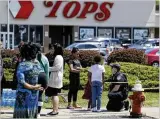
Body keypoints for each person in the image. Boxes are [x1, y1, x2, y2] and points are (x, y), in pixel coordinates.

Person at [13, 43, 44, 118]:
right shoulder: (37, 64)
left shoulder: (22, 65)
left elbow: (22, 82)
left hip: (23, 96)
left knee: (22, 116)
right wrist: (37, 87)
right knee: (32, 114)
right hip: (34, 95)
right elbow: (42, 77)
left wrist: (33, 87)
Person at [46, 43, 64, 115]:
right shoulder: (58, 57)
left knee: (54, 94)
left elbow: (57, 67)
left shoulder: (58, 57)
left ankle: (55, 111)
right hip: (55, 77)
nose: (52, 50)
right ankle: (55, 110)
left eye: (53, 48)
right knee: (54, 94)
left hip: (56, 78)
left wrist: (47, 68)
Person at [34, 43, 49, 117]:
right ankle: (38, 113)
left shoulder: (32, 57)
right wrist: (47, 82)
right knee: (40, 94)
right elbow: (47, 70)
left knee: (32, 94)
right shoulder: (45, 58)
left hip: (35, 76)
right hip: (43, 76)